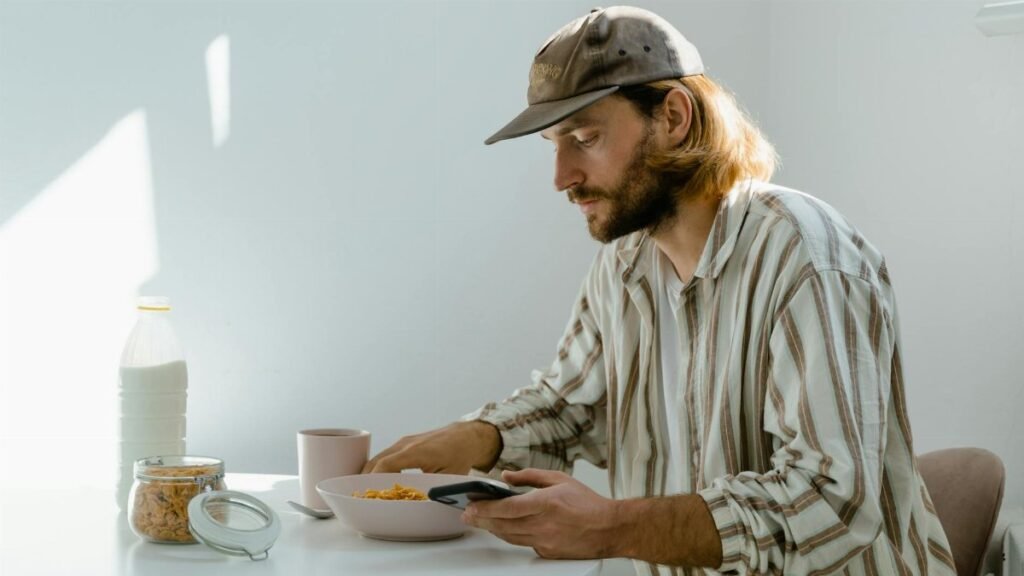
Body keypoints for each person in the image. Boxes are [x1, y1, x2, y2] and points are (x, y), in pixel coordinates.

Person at [363, 6, 955, 575]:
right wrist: (479, 437)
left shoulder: (806, 257)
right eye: (556, 147)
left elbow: (829, 502)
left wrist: (606, 527)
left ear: (673, 117)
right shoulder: (623, 265)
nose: (562, 178)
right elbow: (574, 405)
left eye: (585, 138)